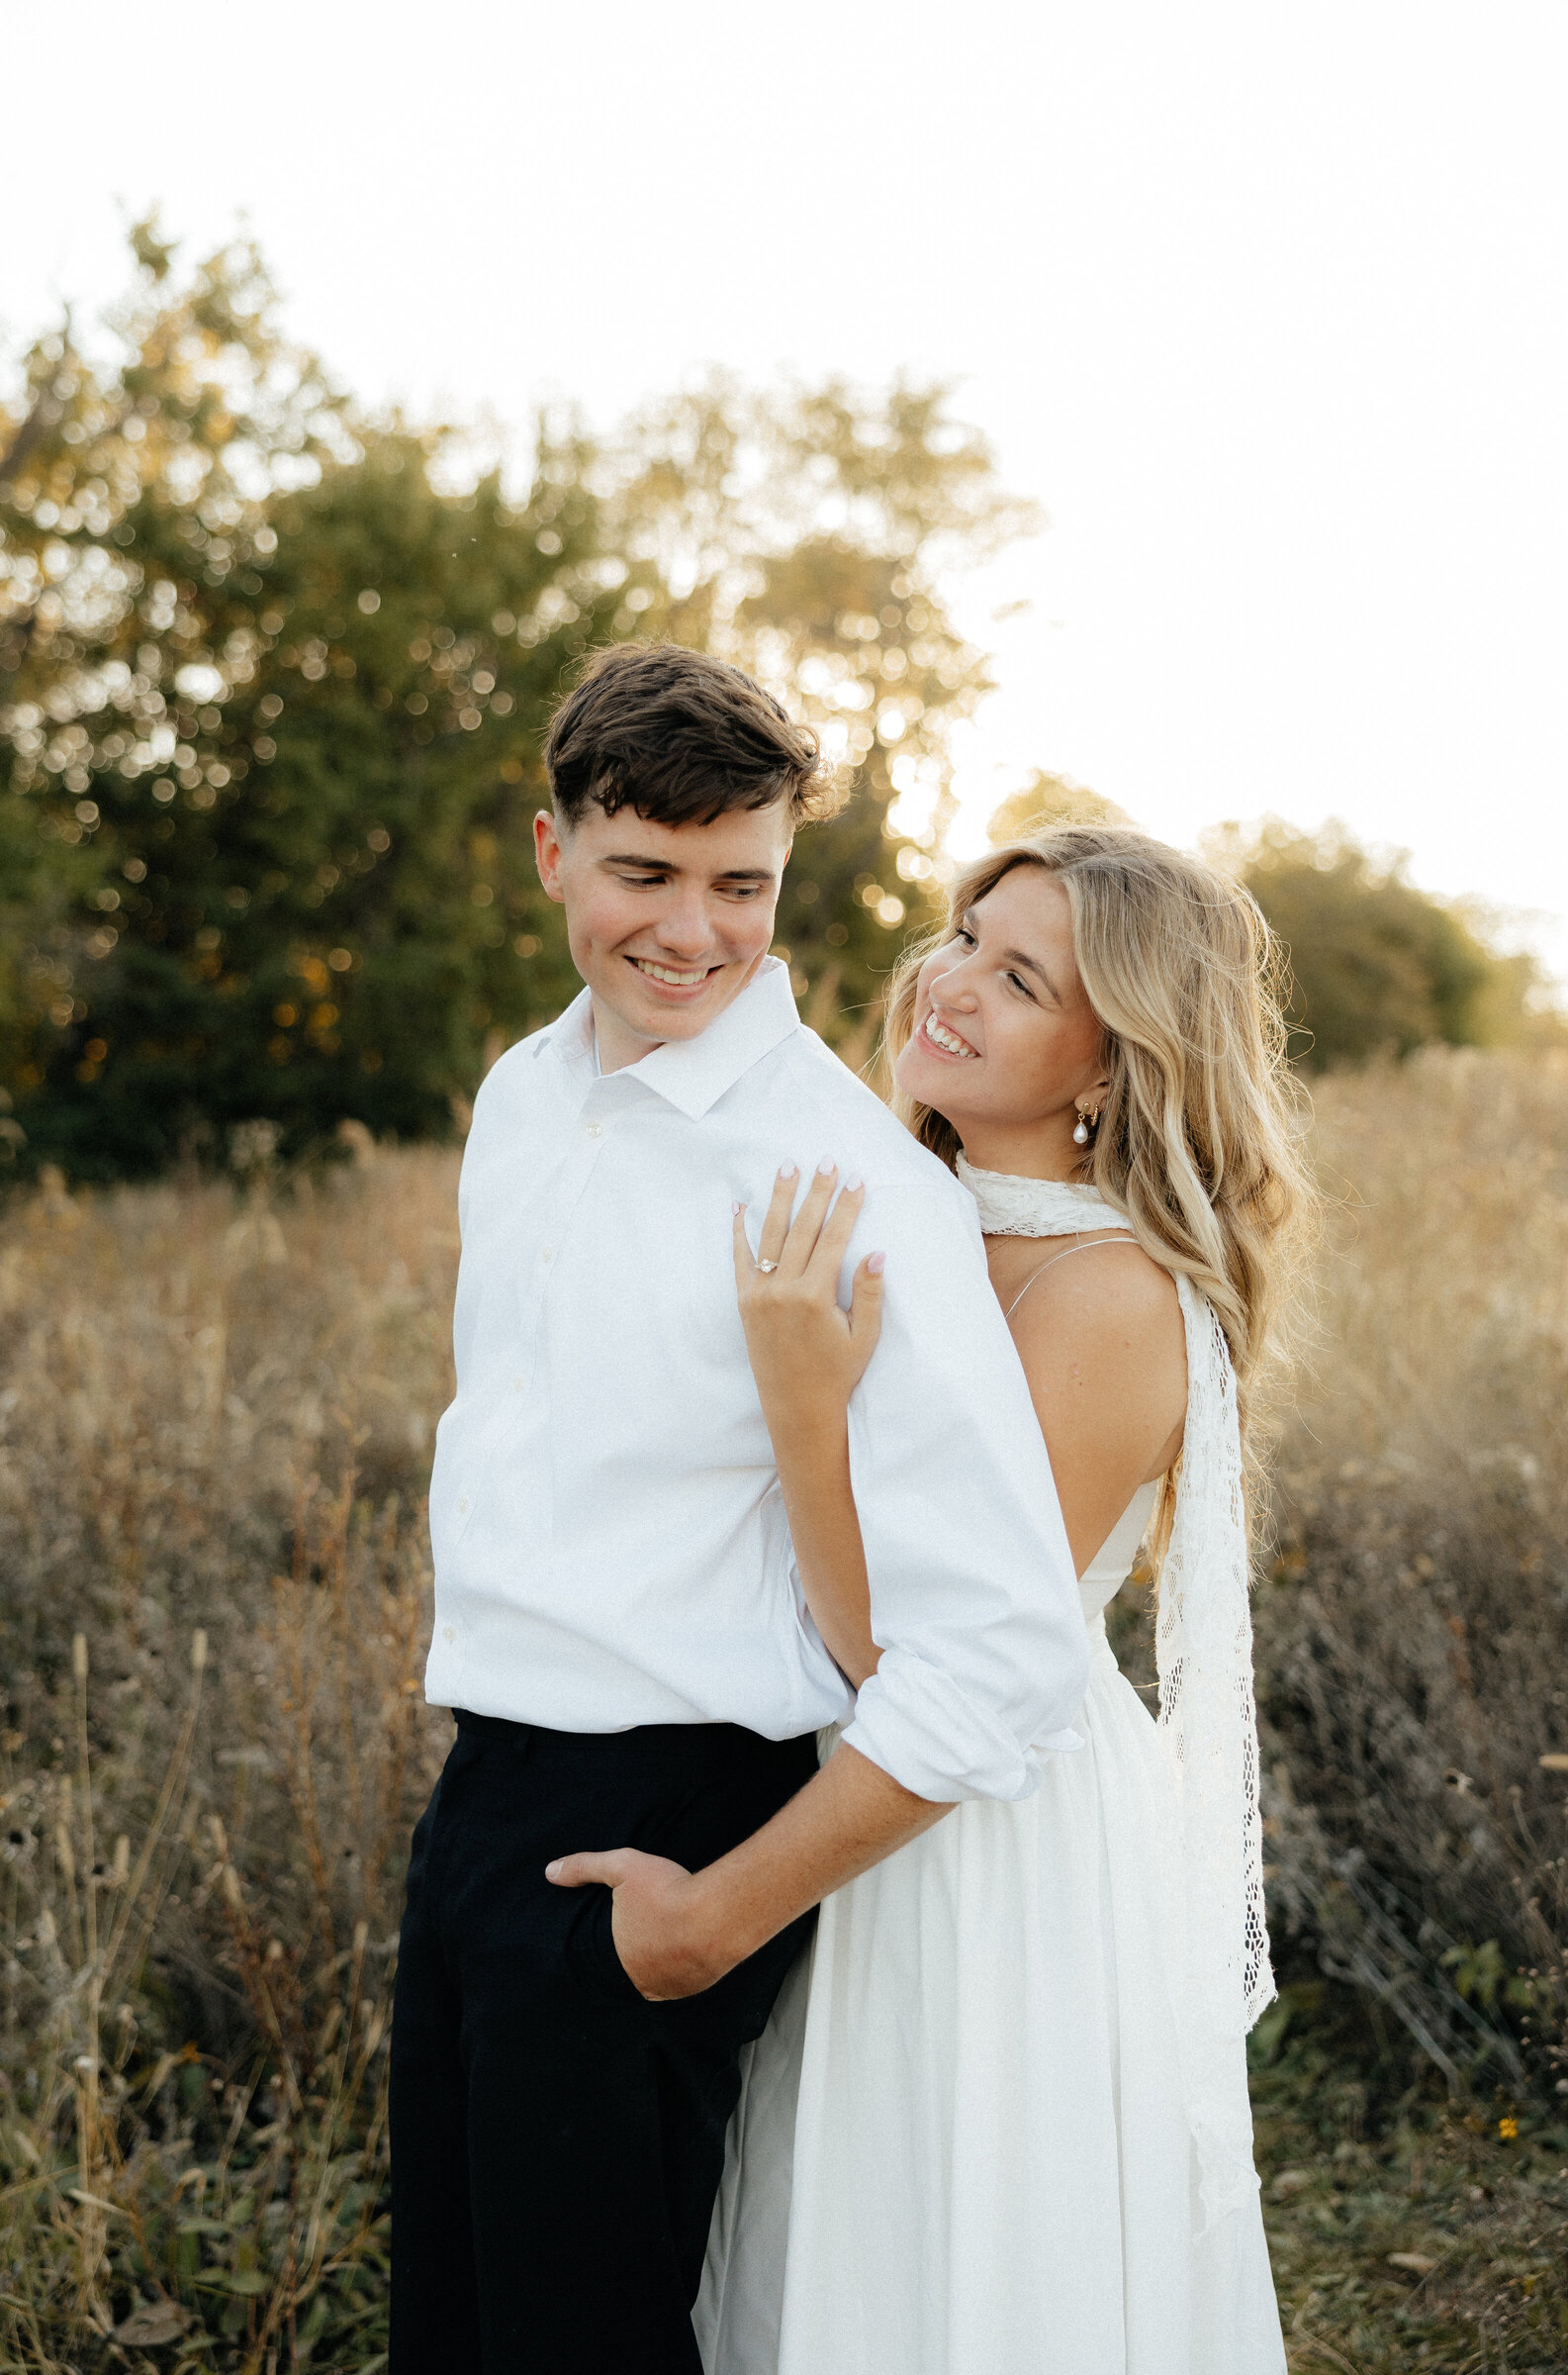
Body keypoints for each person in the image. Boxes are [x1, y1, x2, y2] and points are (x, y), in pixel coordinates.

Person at [387, 645, 1093, 2375]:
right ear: (552, 852)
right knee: (450, 2334)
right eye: (643, 872)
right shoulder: (515, 1099)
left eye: (741, 886)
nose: (692, 932)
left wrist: (714, 1919)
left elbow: (1002, 1649)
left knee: (587, 2346)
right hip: (485, 1781)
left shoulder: (846, 1182)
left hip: (680, 1808)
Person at [695, 824, 1313, 2373]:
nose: (951, 983)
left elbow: (915, 1660)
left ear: (1111, 1065)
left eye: (1020, 975)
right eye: (967, 934)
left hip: (992, 1832)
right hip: (841, 1789)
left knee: (955, 2248)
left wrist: (802, 1410)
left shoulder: (1109, 1299)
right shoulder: (900, 1200)